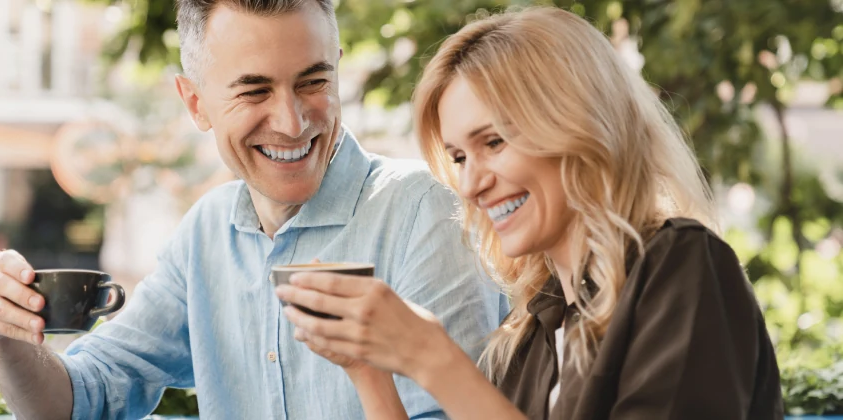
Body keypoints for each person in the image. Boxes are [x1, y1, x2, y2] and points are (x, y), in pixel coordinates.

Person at [0, 1, 506, 418]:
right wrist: (3, 338)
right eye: (254, 91)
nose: (292, 122)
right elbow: (82, 399)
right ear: (196, 103)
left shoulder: (427, 211)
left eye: (313, 82)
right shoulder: (205, 232)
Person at [275, 7, 784, 420]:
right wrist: (367, 368)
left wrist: (434, 360)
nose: (470, 185)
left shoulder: (682, 265)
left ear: (579, 126)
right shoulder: (535, 328)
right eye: (459, 157)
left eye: (494, 142)